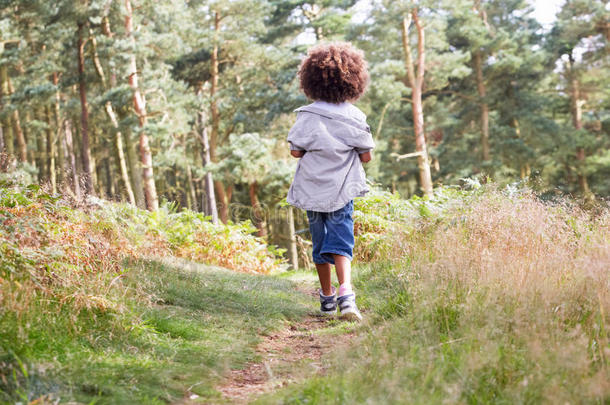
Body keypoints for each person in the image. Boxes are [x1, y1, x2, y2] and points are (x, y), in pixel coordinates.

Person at [286, 42, 375, 321]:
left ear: (311, 80)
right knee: (341, 242)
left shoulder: (307, 114)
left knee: (320, 242)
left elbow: (296, 151)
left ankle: (326, 298)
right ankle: (346, 294)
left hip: (313, 191)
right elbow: (367, 156)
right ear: (353, 80)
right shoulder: (355, 116)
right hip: (341, 190)